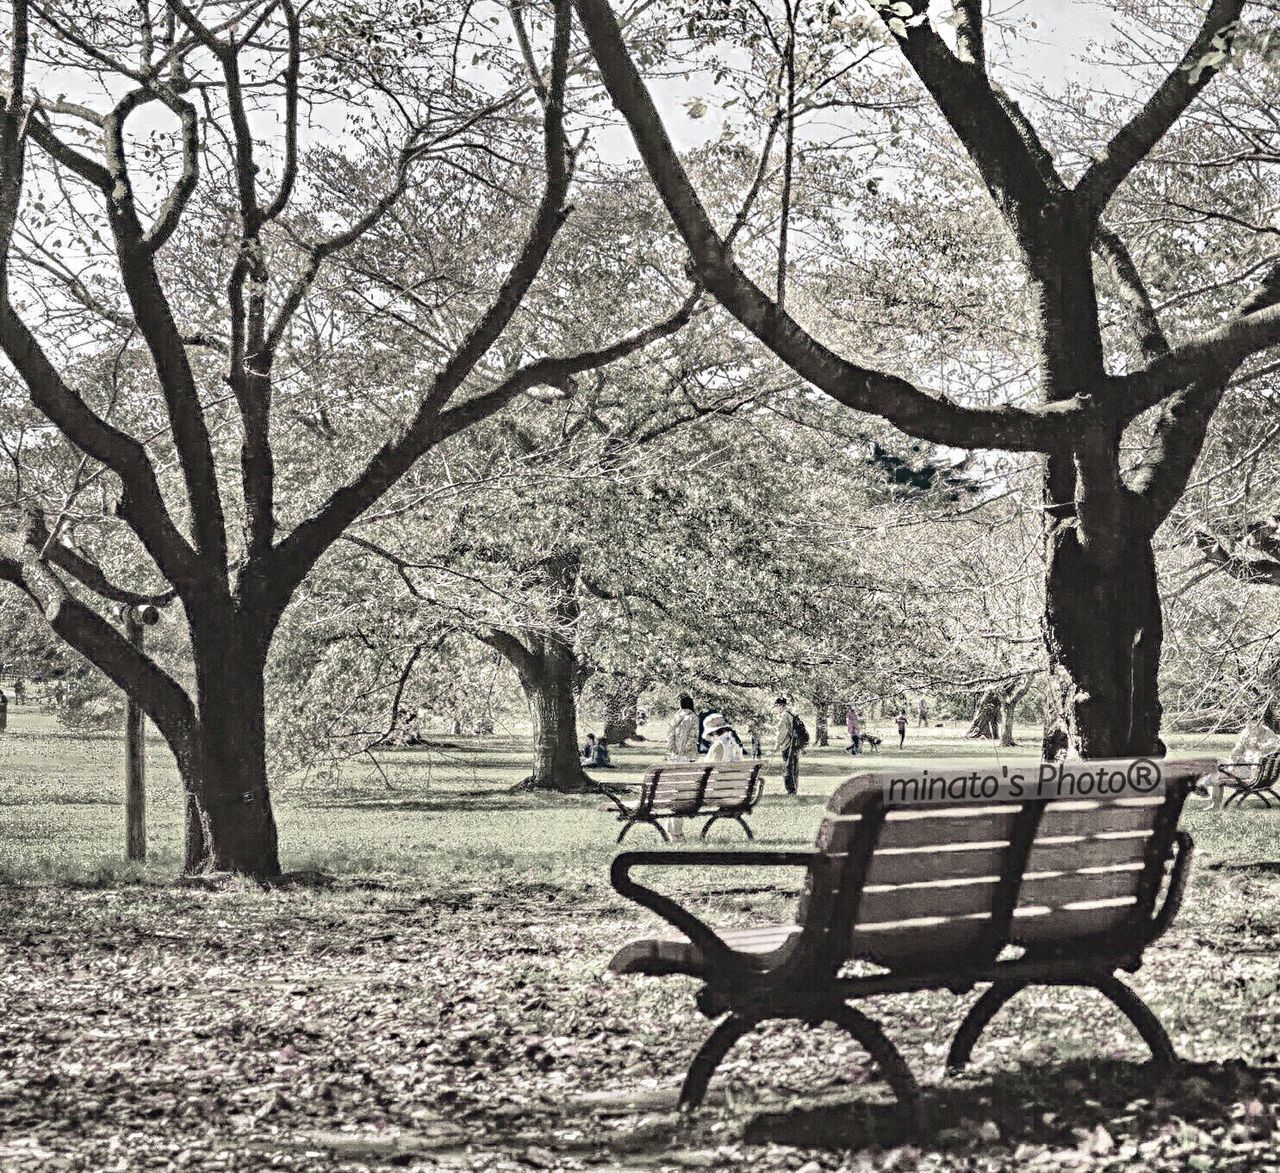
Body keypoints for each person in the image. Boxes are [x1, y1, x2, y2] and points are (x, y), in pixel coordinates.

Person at [773, 697, 801, 796]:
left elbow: (782, 733)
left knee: (787, 767)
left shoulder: (784, 716)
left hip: (788, 745)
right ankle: (794, 789)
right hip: (796, 745)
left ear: (781, 705)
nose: (776, 709)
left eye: (776, 706)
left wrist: (776, 746)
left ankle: (791, 791)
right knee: (794, 768)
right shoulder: (792, 714)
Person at [666, 695, 699, 763]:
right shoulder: (693, 717)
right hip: (688, 754)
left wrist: (672, 748)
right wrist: (685, 749)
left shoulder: (675, 717)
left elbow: (670, 734)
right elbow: (693, 736)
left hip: (675, 754)